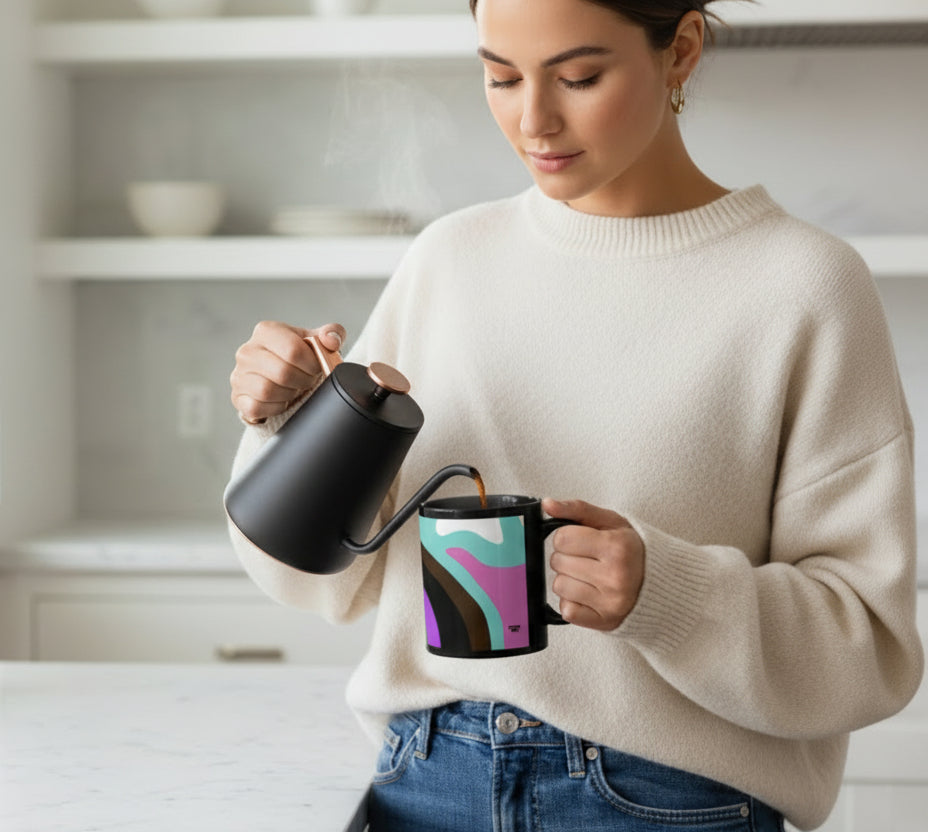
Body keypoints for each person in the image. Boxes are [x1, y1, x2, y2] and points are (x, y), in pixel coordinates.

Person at [225, 1, 923, 829]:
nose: (533, 120)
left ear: (682, 51)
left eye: (580, 77)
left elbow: (868, 653)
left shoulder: (803, 285)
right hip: (427, 782)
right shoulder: (450, 261)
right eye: (500, 75)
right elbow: (321, 582)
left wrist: (665, 595)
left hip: (668, 801)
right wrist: (287, 423)